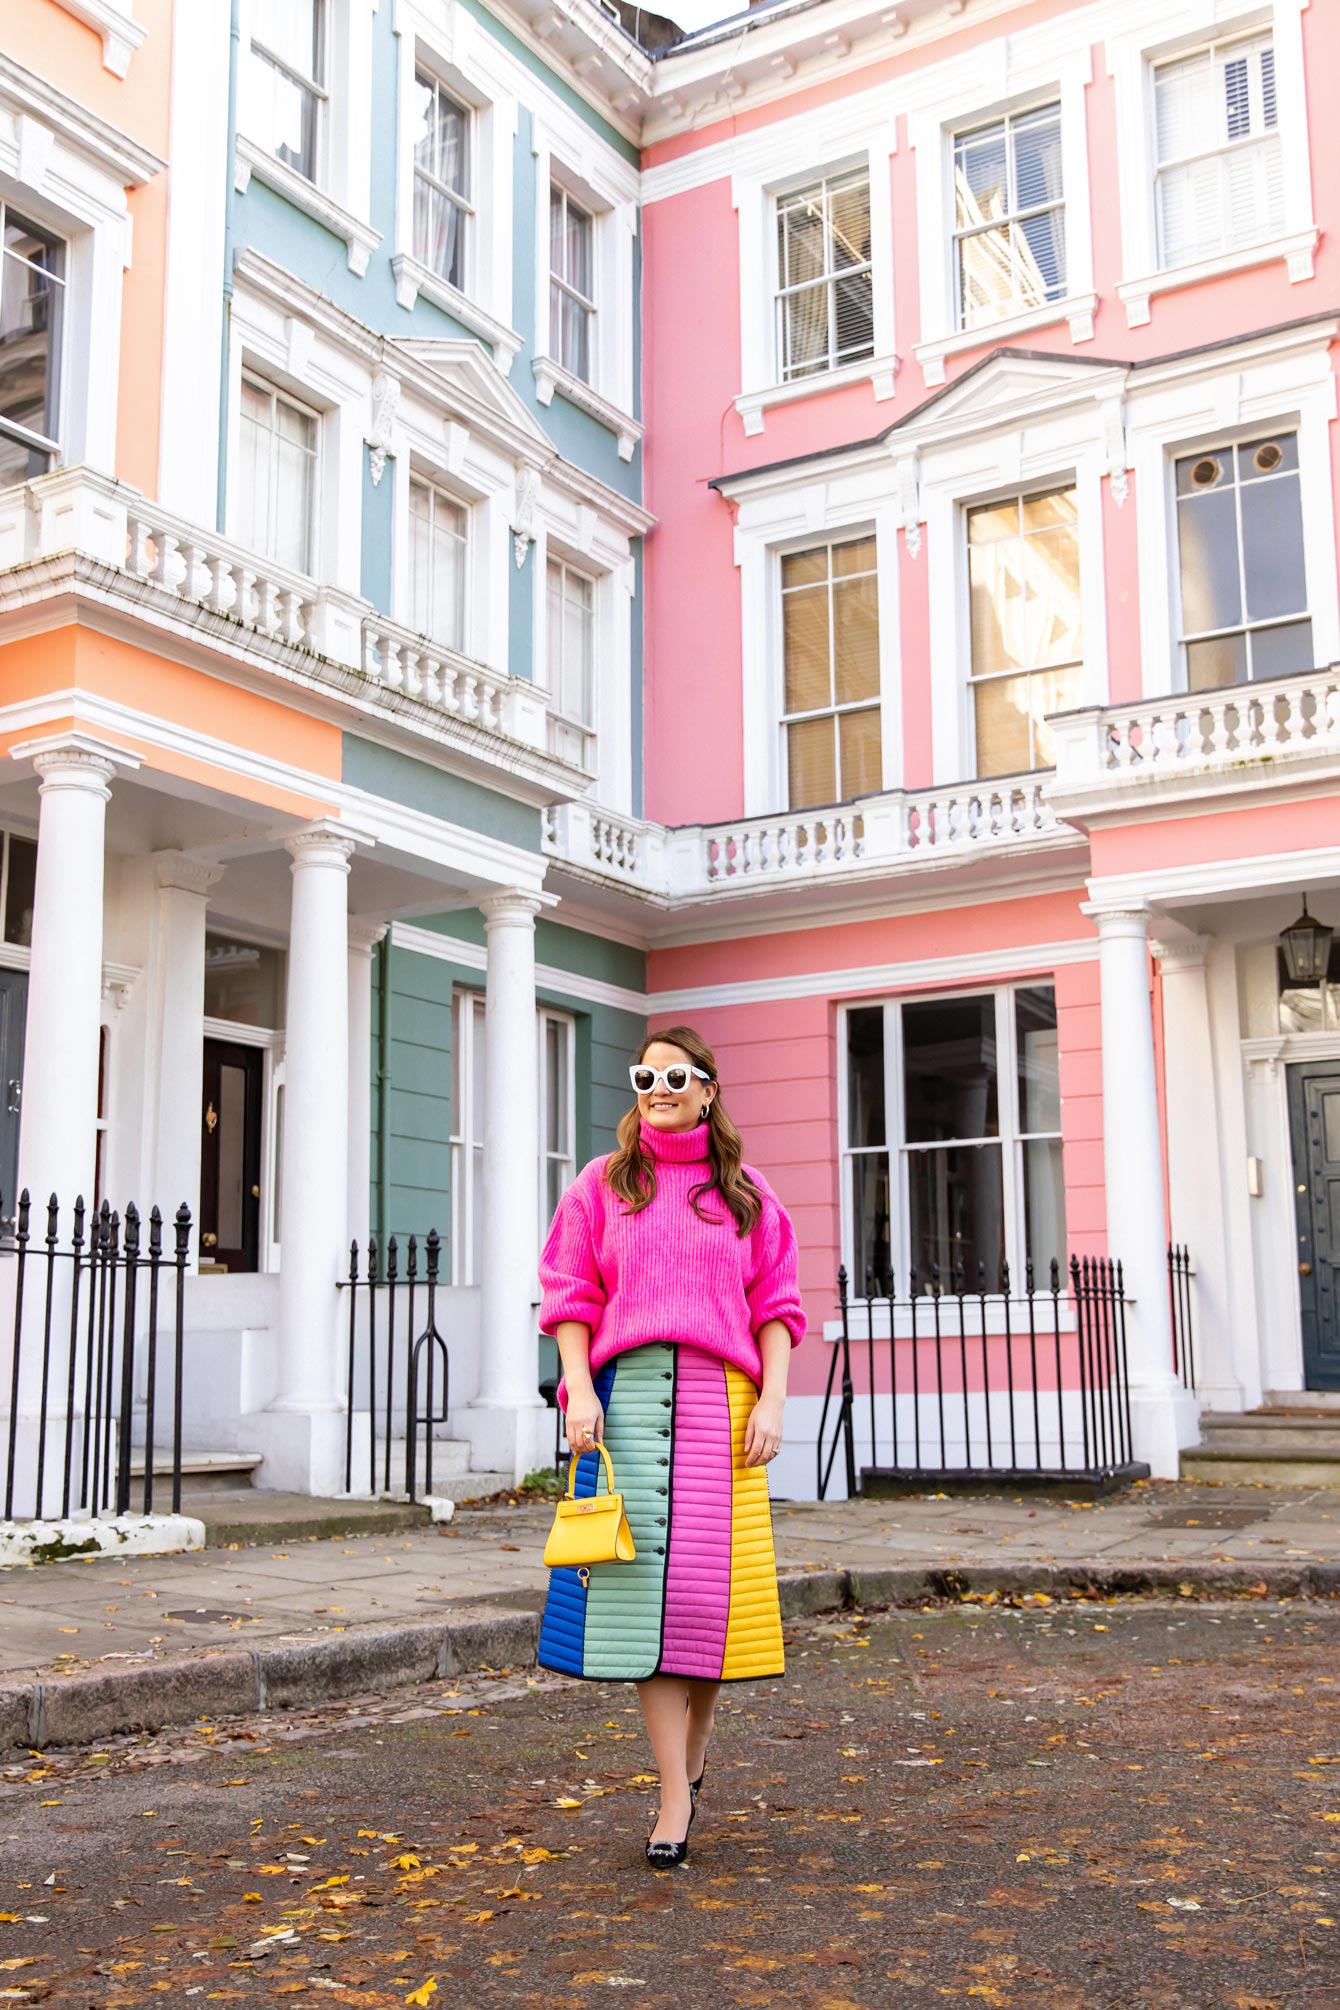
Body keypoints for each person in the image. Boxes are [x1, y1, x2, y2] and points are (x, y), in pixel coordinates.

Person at [536, 1025, 805, 1869]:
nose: (658, 1087)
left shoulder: (746, 1191)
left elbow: (778, 1308)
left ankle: (692, 1763)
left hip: (724, 1406)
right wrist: (577, 1388)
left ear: (709, 1087)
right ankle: (672, 1797)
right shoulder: (603, 1184)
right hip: (630, 1399)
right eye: (645, 1075)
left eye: (676, 1075)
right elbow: (570, 1293)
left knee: (707, 1604)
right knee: (643, 1605)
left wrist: (773, 1398)